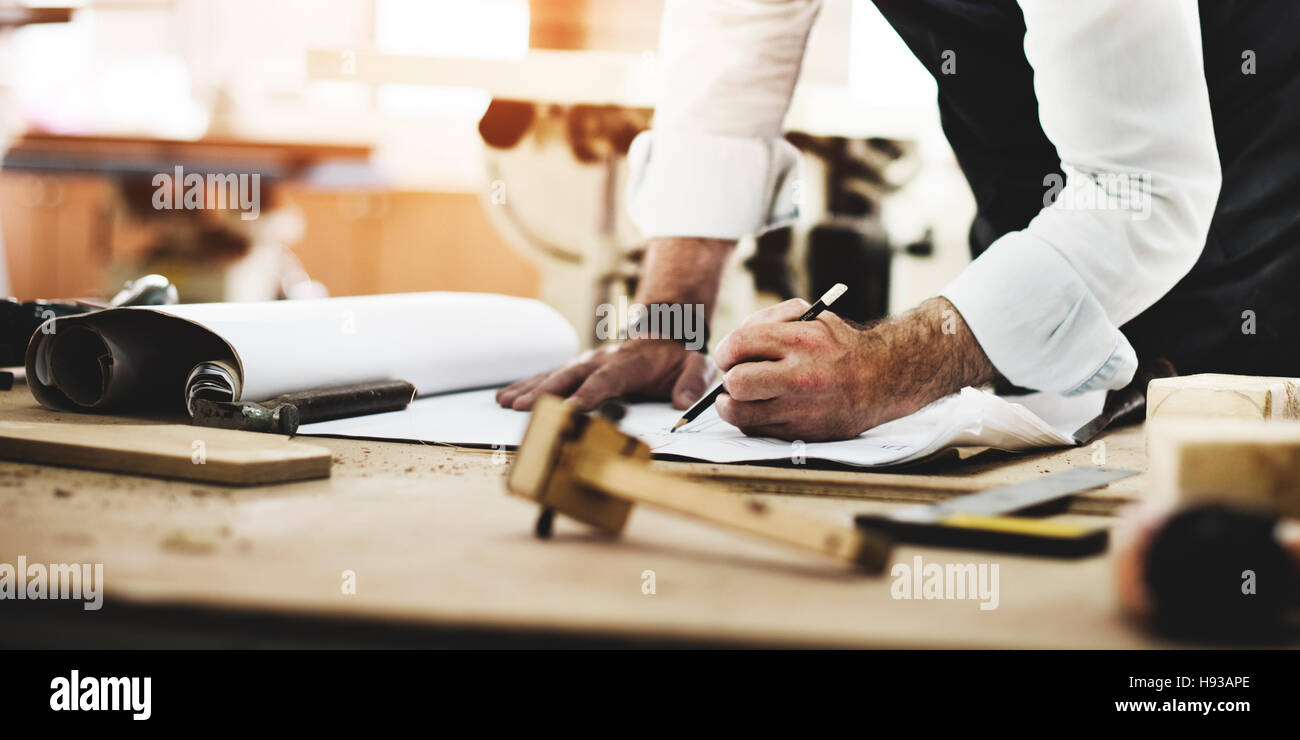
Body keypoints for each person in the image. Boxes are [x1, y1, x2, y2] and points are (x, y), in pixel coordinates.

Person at [499, 0, 1300, 442]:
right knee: (1027, 436)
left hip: (1255, 184)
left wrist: (889, 367)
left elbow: (1140, 190)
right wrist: (666, 322)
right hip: (1033, 173)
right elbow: (727, 77)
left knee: (1215, 476)